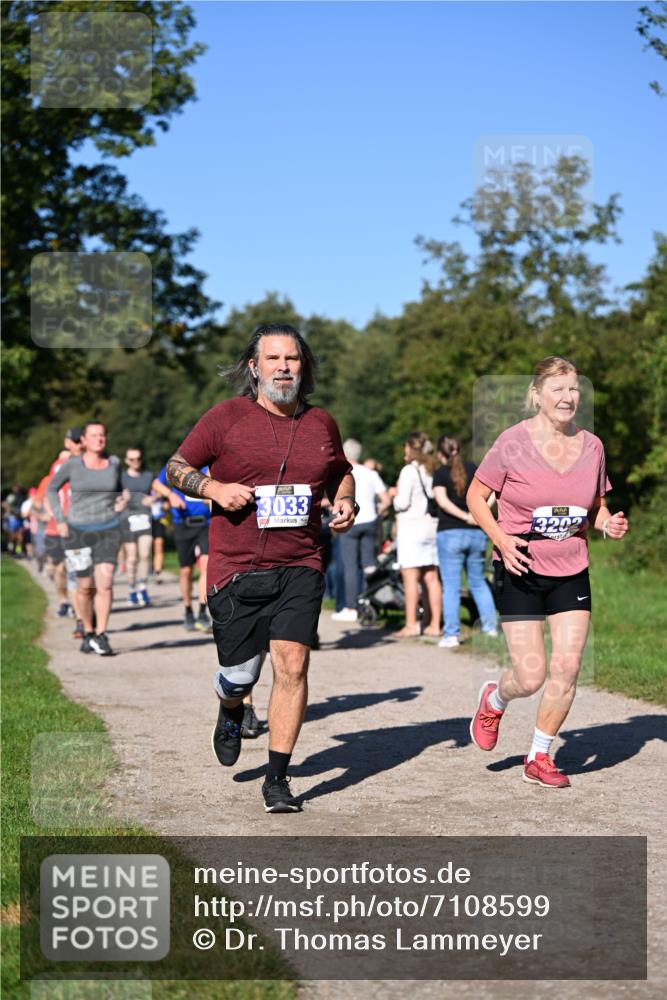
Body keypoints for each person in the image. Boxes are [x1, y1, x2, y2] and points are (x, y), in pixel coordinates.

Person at [165, 323, 355, 813]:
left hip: (300, 562)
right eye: (273, 359)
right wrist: (213, 489)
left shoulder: (321, 424)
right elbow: (176, 466)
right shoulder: (226, 418)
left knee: (293, 663)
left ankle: (277, 778)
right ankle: (230, 708)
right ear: (254, 367)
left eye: (292, 359)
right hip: (235, 568)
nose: (284, 367)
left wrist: (346, 502)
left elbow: (340, 473)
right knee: (240, 676)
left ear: (304, 366)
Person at [467, 356, 628, 788]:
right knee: (531, 675)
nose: (568, 397)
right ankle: (496, 698)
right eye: (557, 389)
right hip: (520, 565)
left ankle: (539, 755)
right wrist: (501, 540)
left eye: (573, 389)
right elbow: (476, 497)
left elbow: (595, 507)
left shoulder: (592, 446)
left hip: (571, 567)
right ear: (536, 395)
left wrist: (607, 523)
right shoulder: (511, 443)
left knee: (568, 666)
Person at [47, 422, 126, 656]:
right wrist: (60, 520)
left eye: (102, 434)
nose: (100, 439)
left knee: (105, 583)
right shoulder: (72, 465)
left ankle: (101, 634)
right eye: (94, 435)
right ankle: (88, 631)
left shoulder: (114, 464)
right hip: (78, 530)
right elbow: (52, 489)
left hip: (109, 529)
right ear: (83, 440)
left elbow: (119, 490)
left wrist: (120, 501)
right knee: (84, 588)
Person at [433, 435, 498, 648]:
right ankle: (490, 628)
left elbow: (442, 502)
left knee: (451, 586)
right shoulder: (475, 469)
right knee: (478, 582)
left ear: (441, 454)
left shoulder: (440, 473)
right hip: (477, 534)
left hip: (450, 533)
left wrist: (463, 516)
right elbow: (493, 493)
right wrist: (479, 514)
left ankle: (451, 635)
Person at [332, 438, 391, 622]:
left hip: (352, 521)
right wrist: (378, 512)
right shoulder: (370, 473)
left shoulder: (342, 472)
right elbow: (386, 499)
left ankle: (351, 607)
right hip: (370, 521)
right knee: (368, 565)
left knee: (350, 566)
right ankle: (367, 602)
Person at [389, 432, 442, 638]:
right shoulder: (431, 470)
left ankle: (412, 625)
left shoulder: (408, 471)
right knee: (431, 577)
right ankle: (434, 624)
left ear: (411, 449)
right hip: (431, 526)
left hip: (412, 528)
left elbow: (402, 503)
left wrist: (393, 495)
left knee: (410, 577)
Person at [152, 461, 212, 631]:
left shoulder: (207, 467)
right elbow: (156, 483)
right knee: (186, 571)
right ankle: (188, 611)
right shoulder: (176, 465)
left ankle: (202, 611)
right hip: (182, 524)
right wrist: (170, 495)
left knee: (206, 568)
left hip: (205, 523)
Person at [121, 446, 154, 607]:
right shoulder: (121, 478)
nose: (136, 462)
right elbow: (112, 499)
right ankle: (131, 588)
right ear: (126, 461)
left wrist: (153, 499)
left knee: (145, 555)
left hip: (145, 518)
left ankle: (143, 587)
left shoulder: (148, 476)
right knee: (132, 558)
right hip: (128, 520)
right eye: (132, 459)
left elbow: (161, 490)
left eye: (138, 459)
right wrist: (122, 499)